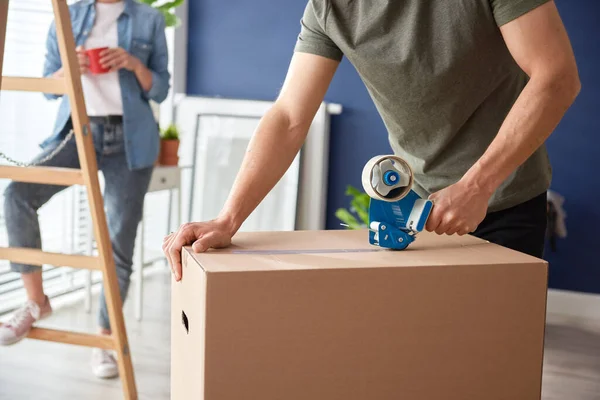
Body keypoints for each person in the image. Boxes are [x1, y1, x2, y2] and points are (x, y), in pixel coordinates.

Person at [163, 1, 579, 277]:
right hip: (418, 207)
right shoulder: (328, 7)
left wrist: (476, 185)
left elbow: (557, 77)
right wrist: (228, 217)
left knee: (493, 367)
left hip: (505, 199)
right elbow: (289, 116)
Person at [0, 0, 170, 380]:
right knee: (17, 194)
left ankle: (106, 338)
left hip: (131, 140)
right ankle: (35, 301)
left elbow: (160, 89)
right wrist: (66, 71)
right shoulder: (66, 16)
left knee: (117, 242)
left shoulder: (149, 18)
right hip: (77, 134)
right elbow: (48, 87)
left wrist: (133, 64)